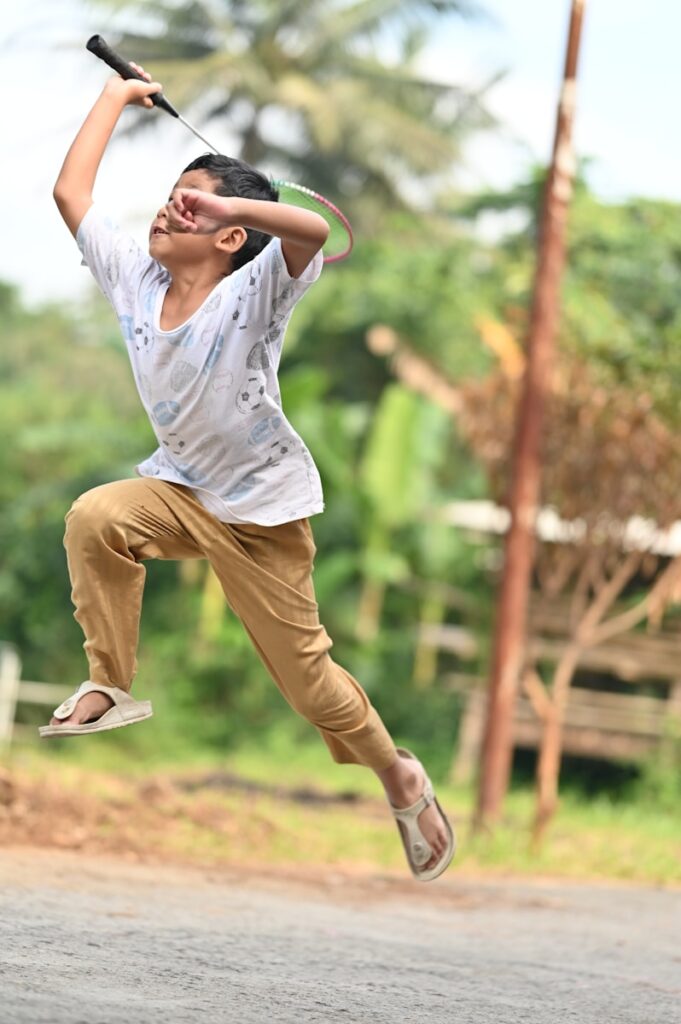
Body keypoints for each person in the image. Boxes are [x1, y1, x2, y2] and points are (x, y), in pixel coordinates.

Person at [42, 64, 455, 882]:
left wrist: (230, 202)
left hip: (263, 517)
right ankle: (110, 684)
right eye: (172, 194)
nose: (171, 206)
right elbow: (70, 194)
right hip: (179, 491)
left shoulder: (255, 292)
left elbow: (315, 235)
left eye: (191, 203)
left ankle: (397, 774)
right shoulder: (134, 278)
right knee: (95, 515)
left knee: (311, 692)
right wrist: (118, 98)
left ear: (229, 236)